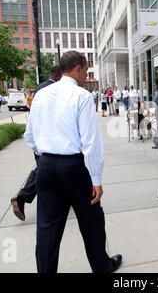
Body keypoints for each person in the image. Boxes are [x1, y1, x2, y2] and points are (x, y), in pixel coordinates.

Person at [24, 51, 122, 273]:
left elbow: (29, 136)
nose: (85, 76)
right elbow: (91, 142)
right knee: (91, 220)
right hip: (74, 167)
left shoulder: (40, 95)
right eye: (85, 71)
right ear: (77, 68)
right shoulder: (82, 96)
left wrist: (46, 156)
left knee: (47, 227)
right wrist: (96, 178)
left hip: (46, 165)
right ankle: (102, 266)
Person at [10, 65, 63, 221]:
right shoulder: (55, 89)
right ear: (60, 76)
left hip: (39, 137)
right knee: (43, 171)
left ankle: (23, 198)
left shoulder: (39, 88)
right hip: (50, 138)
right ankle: (21, 198)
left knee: (44, 170)